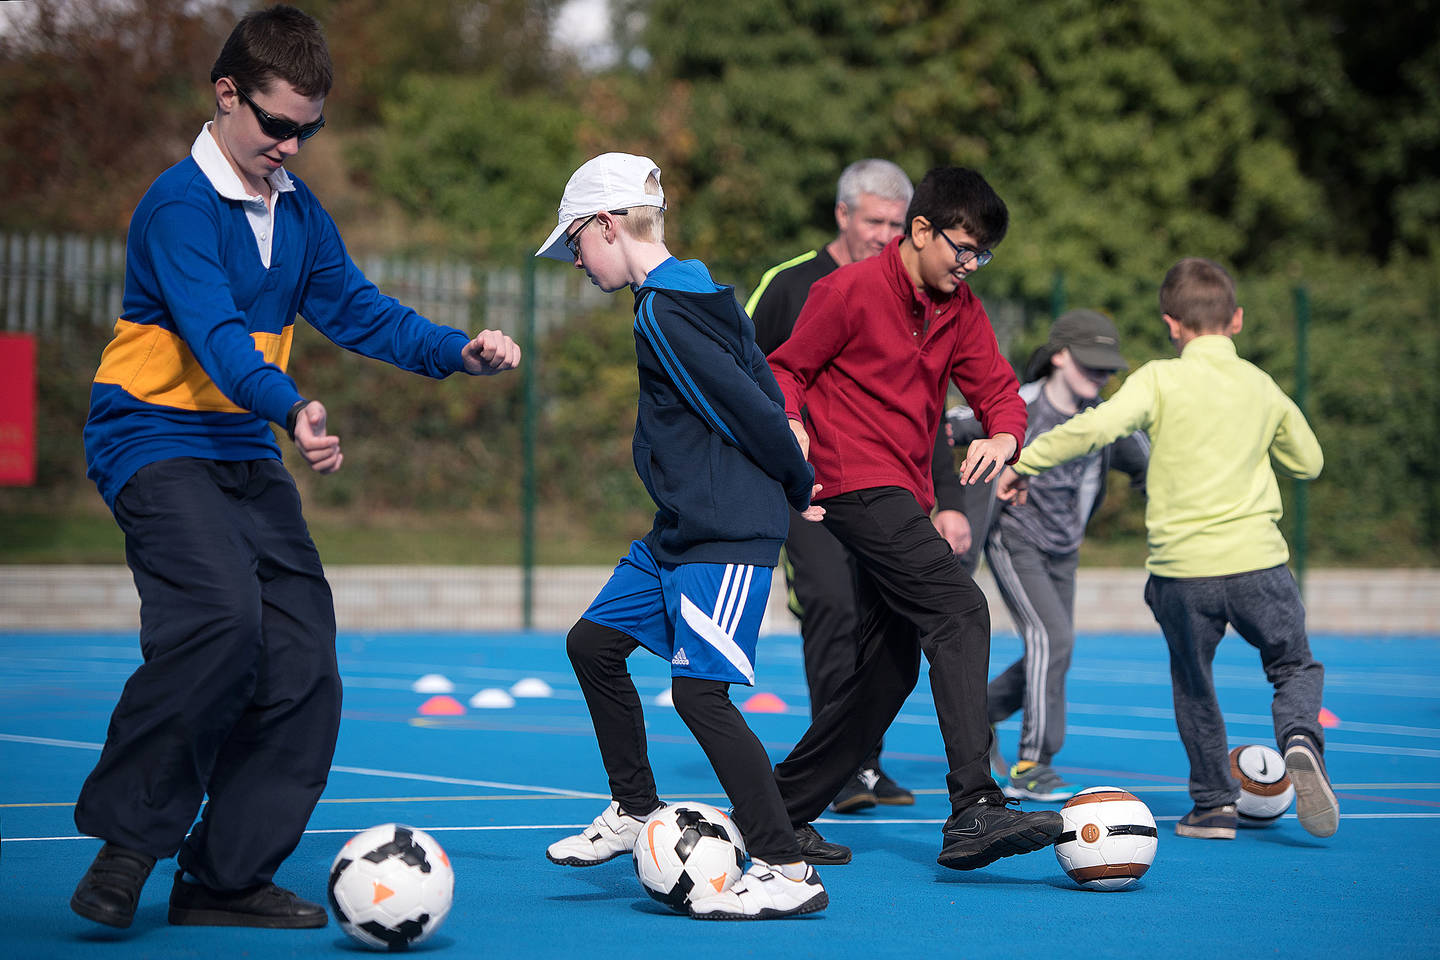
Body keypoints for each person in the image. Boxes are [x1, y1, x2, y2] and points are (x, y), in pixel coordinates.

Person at [69, 5, 522, 932]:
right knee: (221, 622)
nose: (295, 146)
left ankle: (225, 876)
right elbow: (217, 336)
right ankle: (129, 843)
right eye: (279, 125)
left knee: (305, 658)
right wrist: (291, 406)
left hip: (239, 446)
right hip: (151, 438)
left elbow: (358, 311)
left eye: (310, 129)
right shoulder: (177, 207)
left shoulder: (298, 212)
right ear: (227, 95)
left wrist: (454, 352)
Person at [535, 152, 829, 920]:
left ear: (607, 225)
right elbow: (760, 377)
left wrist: (798, 486)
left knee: (701, 695)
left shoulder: (666, 309)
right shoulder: (690, 290)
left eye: (575, 243)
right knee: (591, 645)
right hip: (678, 530)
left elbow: (745, 406)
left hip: (725, 533)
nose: (576, 260)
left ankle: (788, 865)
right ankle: (635, 808)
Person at [766, 166, 1064, 871]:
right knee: (960, 609)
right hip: (850, 483)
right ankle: (974, 810)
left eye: (981, 255)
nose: (970, 265)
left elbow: (999, 389)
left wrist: (1004, 437)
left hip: (904, 492)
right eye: (962, 248)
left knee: (889, 667)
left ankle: (776, 812)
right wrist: (789, 422)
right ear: (920, 231)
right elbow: (785, 368)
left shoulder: (960, 308)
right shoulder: (845, 291)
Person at [997, 257, 1338, 840]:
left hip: (1183, 572)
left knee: (1193, 681)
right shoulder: (1260, 384)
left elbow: (1094, 428)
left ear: (1171, 324)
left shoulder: (1158, 379)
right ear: (1235, 320)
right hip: (1257, 561)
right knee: (1292, 664)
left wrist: (1022, 460)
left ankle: (1212, 806)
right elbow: (1309, 462)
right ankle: (1300, 738)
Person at [747, 159, 974, 814]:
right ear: (842, 215)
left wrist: (950, 501)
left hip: (888, 490)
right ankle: (836, 771)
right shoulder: (790, 287)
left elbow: (926, 410)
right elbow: (750, 378)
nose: (885, 233)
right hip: (808, 492)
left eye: (896, 224)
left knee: (890, 625)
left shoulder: (917, 297)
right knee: (832, 609)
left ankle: (863, 763)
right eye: (873, 220)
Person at [949, 310, 1148, 802]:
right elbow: (938, 427)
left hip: (1065, 548)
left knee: (1057, 647)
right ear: (1059, 356)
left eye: (1107, 369)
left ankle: (983, 711)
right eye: (1091, 365)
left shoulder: (1105, 421)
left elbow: (1154, 467)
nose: (1100, 376)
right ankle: (1033, 765)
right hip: (1015, 539)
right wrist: (949, 496)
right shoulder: (1021, 406)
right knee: (1050, 637)